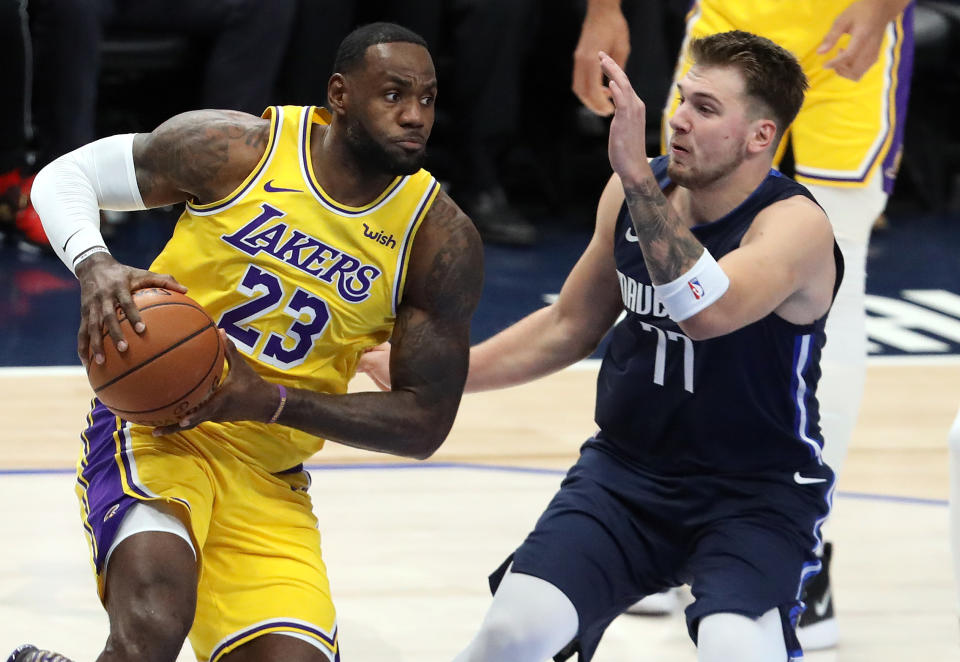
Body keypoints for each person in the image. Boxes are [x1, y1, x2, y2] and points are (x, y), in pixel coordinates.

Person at [7, 22, 482, 662]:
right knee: (152, 629)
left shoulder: (438, 240)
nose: (414, 115)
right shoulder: (239, 150)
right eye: (393, 94)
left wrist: (270, 402)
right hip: (157, 430)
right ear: (339, 95)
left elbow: (424, 422)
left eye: (426, 98)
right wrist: (94, 264)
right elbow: (64, 178)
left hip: (268, 473)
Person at [360, 30, 842, 661]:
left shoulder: (794, 227)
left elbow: (708, 308)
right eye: (682, 99)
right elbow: (568, 324)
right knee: (510, 636)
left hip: (754, 493)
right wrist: (443, 373)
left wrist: (638, 178)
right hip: (627, 476)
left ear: (759, 136)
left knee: (735, 649)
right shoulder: (636, 191)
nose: (678, 120)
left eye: (706, 108)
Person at [572, 0, 915, 645]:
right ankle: (669, 526)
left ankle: (806, 556)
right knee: (682, 259)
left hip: (846, 29)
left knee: (828, 288)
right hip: (733, 23)